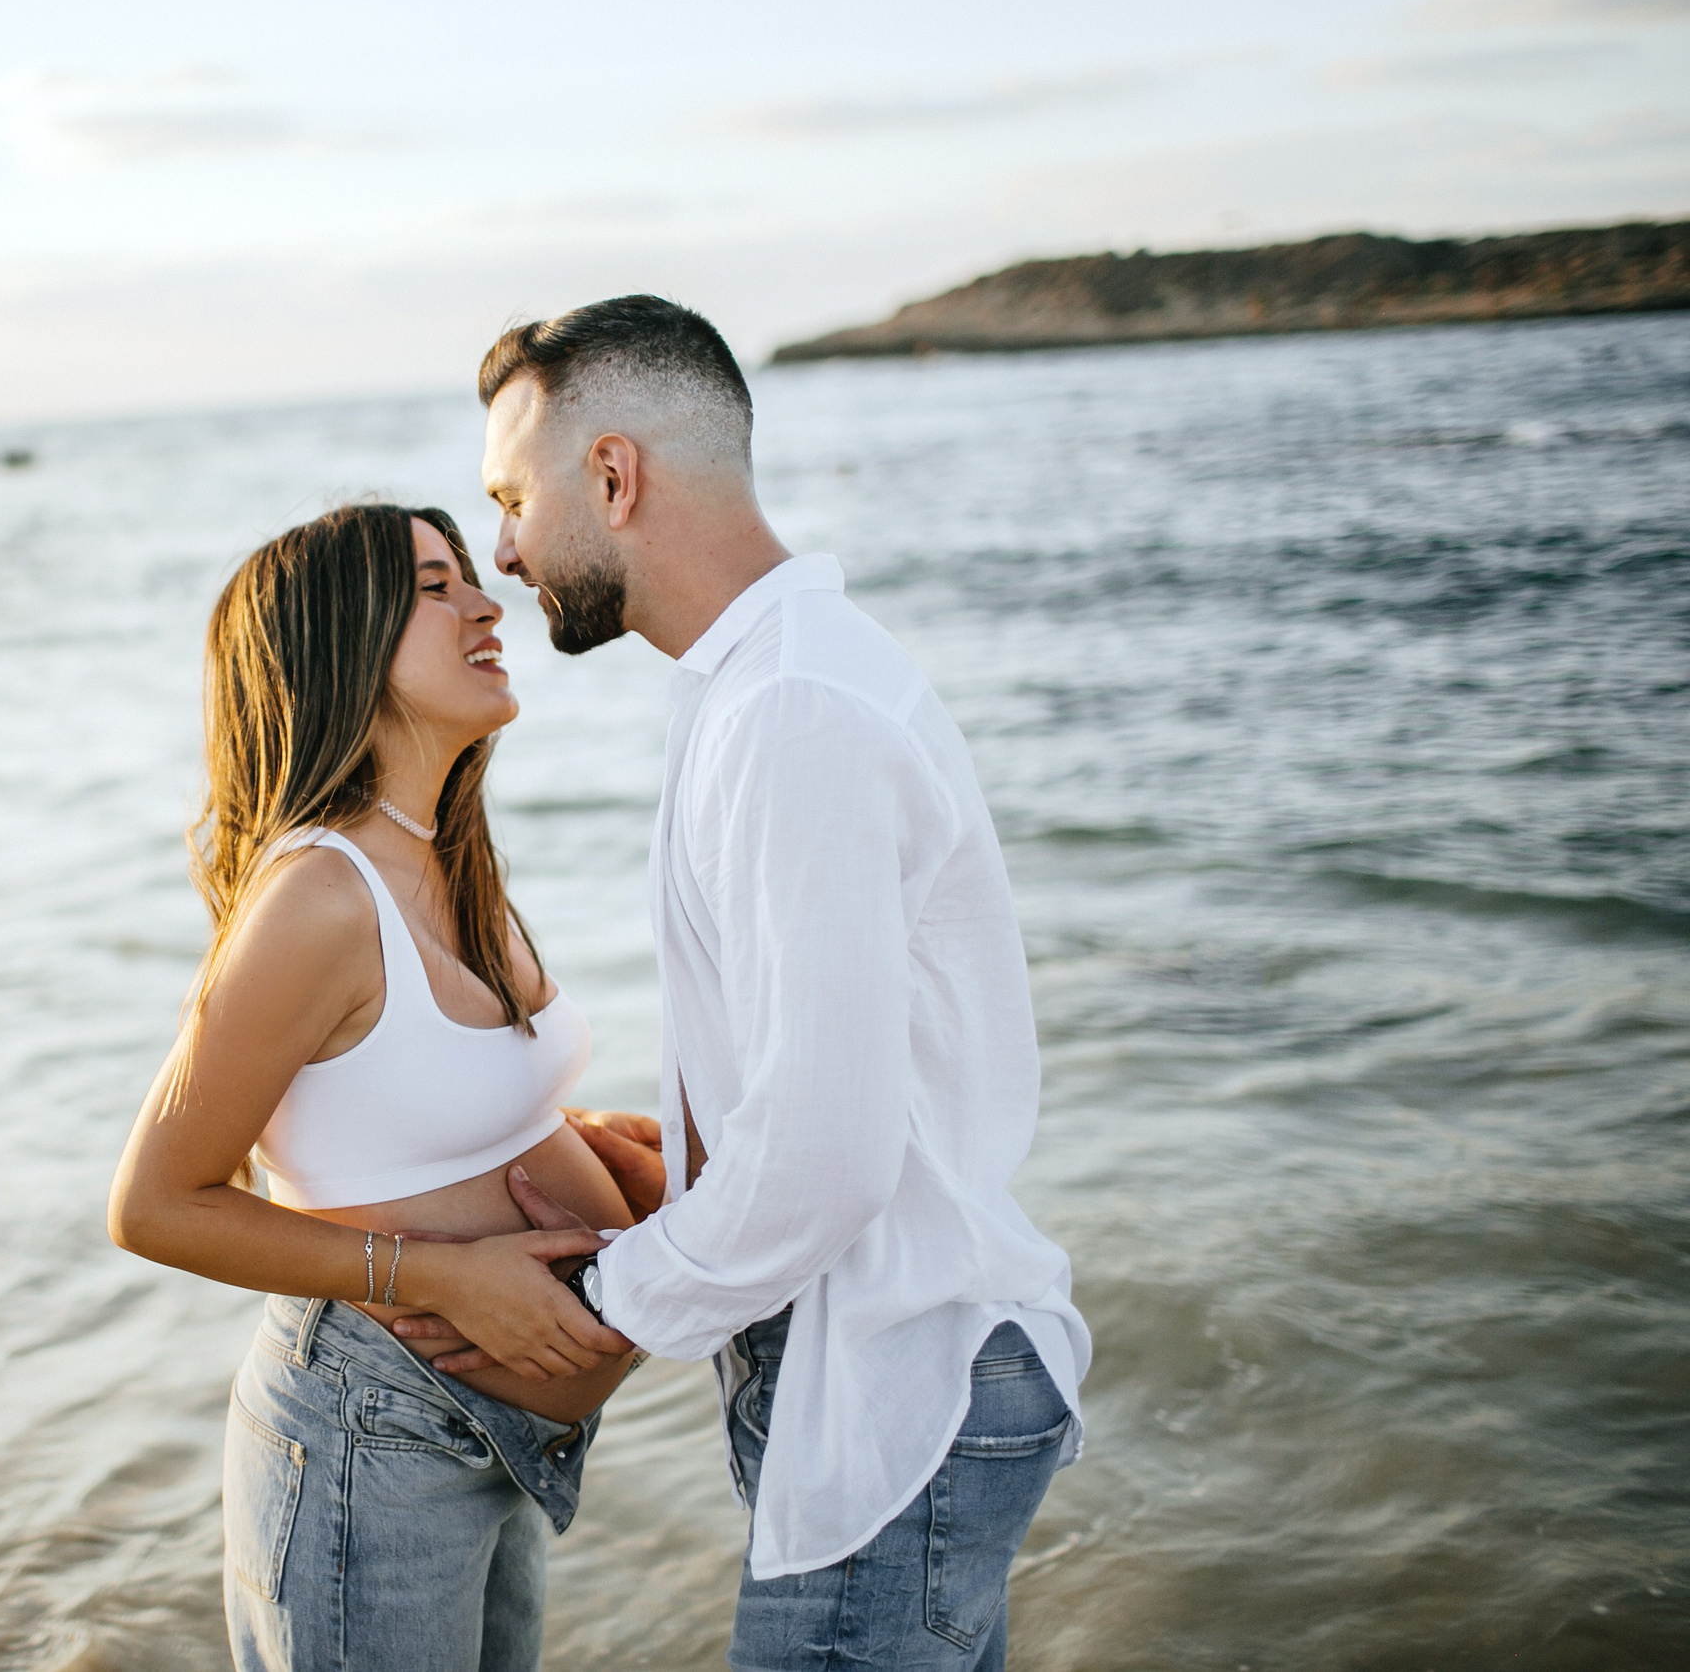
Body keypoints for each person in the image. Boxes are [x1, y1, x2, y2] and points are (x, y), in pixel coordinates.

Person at [389, 296, 1093, 1672]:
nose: (509, 551)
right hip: (878, 1363)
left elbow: (824, 1157)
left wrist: (598, 1304)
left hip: (892, 1375)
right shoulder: (756, 684)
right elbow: (810, 1084)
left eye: (512, 499)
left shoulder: (791, 709)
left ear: (614, 474)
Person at [107, 502, 651, 1672]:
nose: (486, 603)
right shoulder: (317, 896)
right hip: (372, 1431)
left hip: (483, 1442)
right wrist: (441, 1272)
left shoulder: (444, 853)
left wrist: (586, 1144)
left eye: (470, 577)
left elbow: (408, 1103)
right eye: (435, 586)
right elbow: (152, 1203)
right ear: (339, 641)